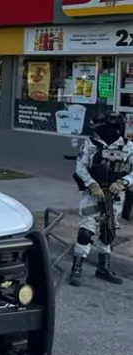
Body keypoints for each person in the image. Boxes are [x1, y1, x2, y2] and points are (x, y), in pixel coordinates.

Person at [70, 111, 131, 286]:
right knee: (85, 232)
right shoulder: (90, 144)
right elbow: (80, 166)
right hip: (93, 196)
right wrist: (92, 184)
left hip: (115, 197)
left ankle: (103, 268)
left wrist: (123, 182)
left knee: (108, 231)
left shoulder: (128, 147)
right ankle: (76, 268)